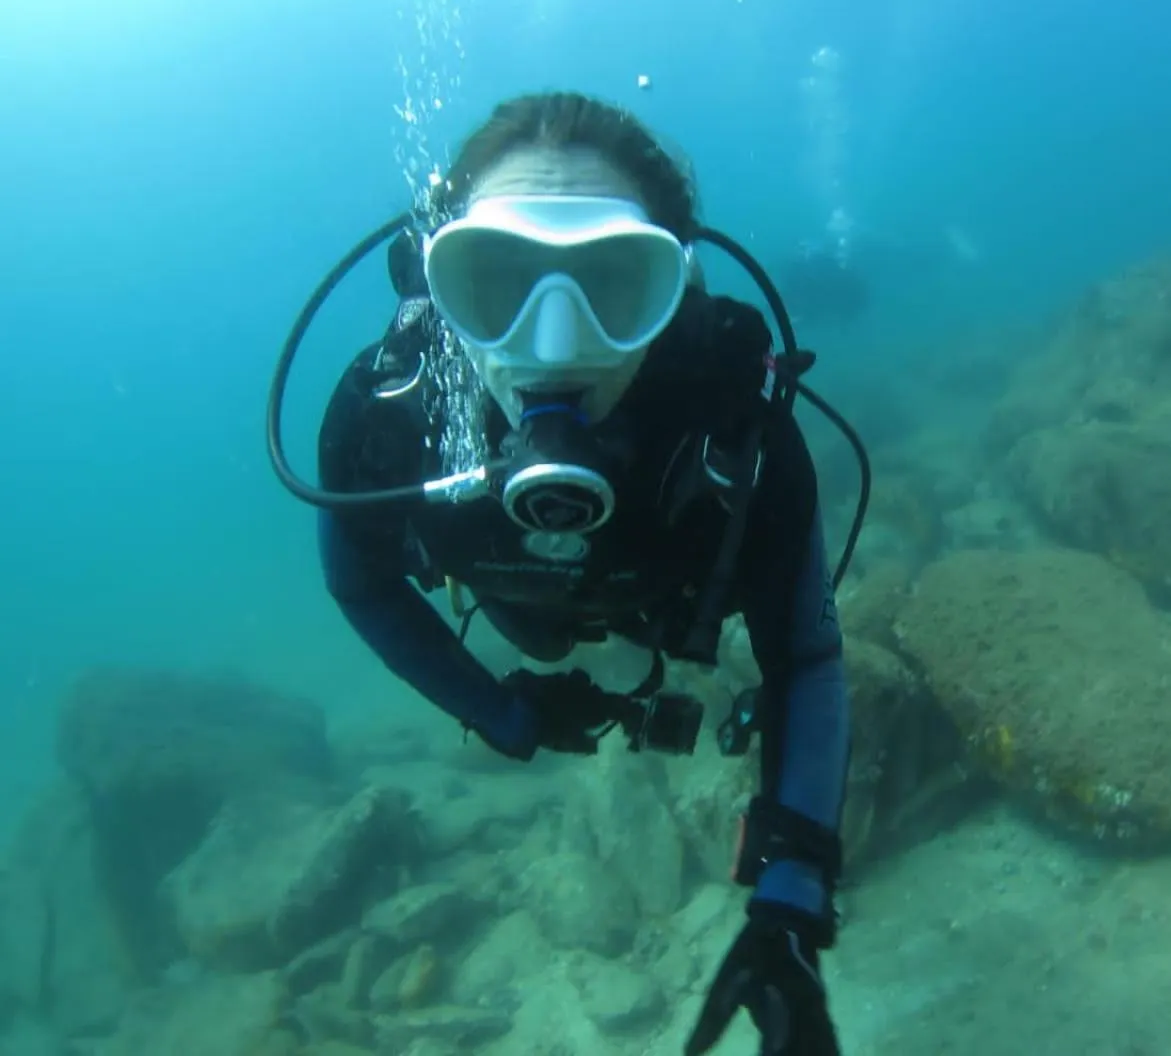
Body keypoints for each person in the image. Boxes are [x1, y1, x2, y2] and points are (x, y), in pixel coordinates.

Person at [267, 92, 872, 1055]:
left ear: (674, 290)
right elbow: (362, 584)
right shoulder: (386, 418)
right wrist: (503, 709)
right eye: (495, 280)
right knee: (541, 635)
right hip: (517, 608)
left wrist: (792, 908)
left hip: (657, 598)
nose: (552, 345)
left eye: (615, 284)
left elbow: (803, 653)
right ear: (438, 280)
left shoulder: (732, 422)